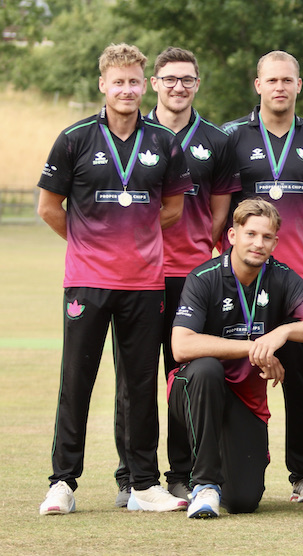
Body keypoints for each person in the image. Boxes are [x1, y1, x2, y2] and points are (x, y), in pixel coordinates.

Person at [37, 43, 190, 515]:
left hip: (145, 285)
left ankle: (144, 484)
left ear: (145, 86)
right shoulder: (74, 138)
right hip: (87, 282)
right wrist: (90, 242)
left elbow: (173, 208)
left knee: (141, 386)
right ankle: (63, 483)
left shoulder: (163, 142)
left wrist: (134, 238)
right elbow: (48, 208)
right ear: (103, 84)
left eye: (134, 82)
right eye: (118, 82)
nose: (127, 90)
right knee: (77, 380)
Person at [111, 46, 241, 505]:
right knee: (134, 378)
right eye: (169, 79)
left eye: (187, 79)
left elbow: (220, 213)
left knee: (186, 375)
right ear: (154, 85)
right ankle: (131, 475)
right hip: (137, 275)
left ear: (197, 84)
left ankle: (181, 473)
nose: (178, 86)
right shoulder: (130, 134)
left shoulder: (217, 140)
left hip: (193, 277)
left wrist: (198, 254)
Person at [170, 199, 303, 518]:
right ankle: (204, 485)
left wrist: (283, 333)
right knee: (206, 369)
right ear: (232, 235)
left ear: (275, 242)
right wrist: (253, 347)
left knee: (243, 502)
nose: (258, 243)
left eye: (266, 237)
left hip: (245, 400)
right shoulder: (203, 277)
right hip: (195, 391)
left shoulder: (281, 277)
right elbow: (181, 346)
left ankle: (226, 475)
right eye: (250, 234)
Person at [223, 50, 303, 503]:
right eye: (272, 80)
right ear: (258, 84)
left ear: (299, 85)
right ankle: (229, 465)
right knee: (233, 373)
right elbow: (219, 204)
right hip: (245, 280)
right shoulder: (231, 137)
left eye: (288, 80)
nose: (280, 87)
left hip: (300, 277)